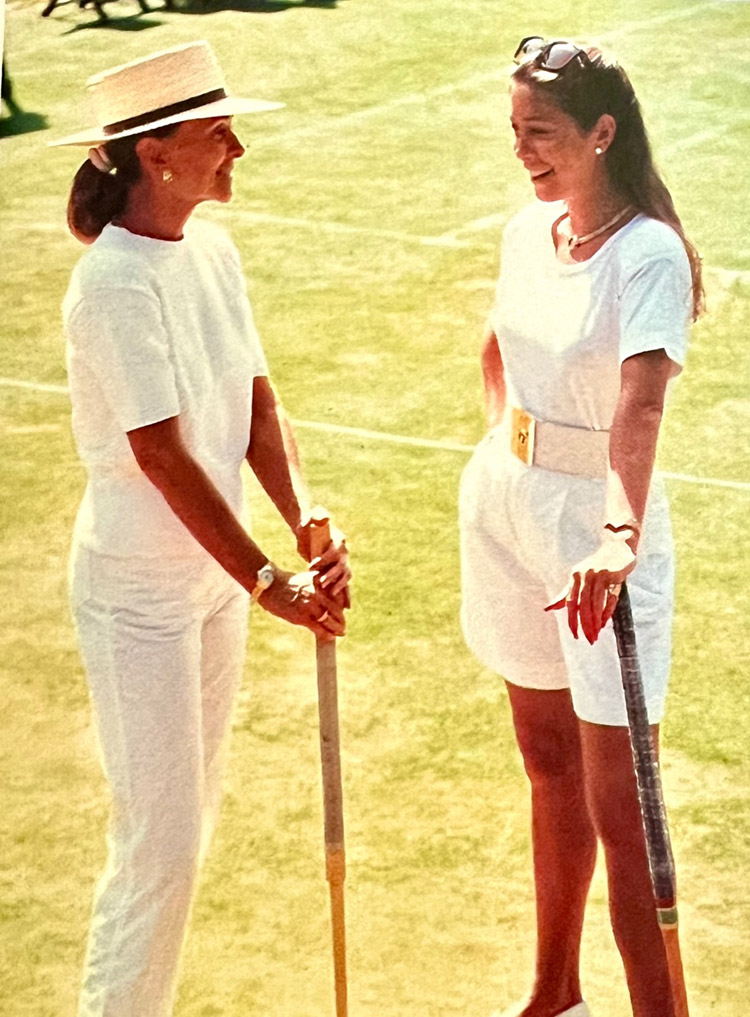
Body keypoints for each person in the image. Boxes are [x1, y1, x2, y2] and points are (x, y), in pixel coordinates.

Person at [51, 41, 351, 1017]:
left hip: (209, 594)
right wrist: (275, 585)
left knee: (184, 839)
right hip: (136, 600)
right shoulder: (110, 285)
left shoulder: (212, 254)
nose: (237, 148)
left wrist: (302, 515)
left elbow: (257, 406)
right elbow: (164, 455)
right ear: (155, 153)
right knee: (159, 849)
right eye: (216, 131)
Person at [459, 37, 702, 1017]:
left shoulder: (649, 253)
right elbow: (498, 345)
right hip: (508, 506)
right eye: (515, 132)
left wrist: (615, 537)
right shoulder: (532, 230)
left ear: (605, 133)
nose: (526, 151)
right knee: (546, 759)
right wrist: (505, 454)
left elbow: (639, 407)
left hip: (601, 534)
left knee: (620, 809)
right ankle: (553, 996)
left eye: (544, 134)